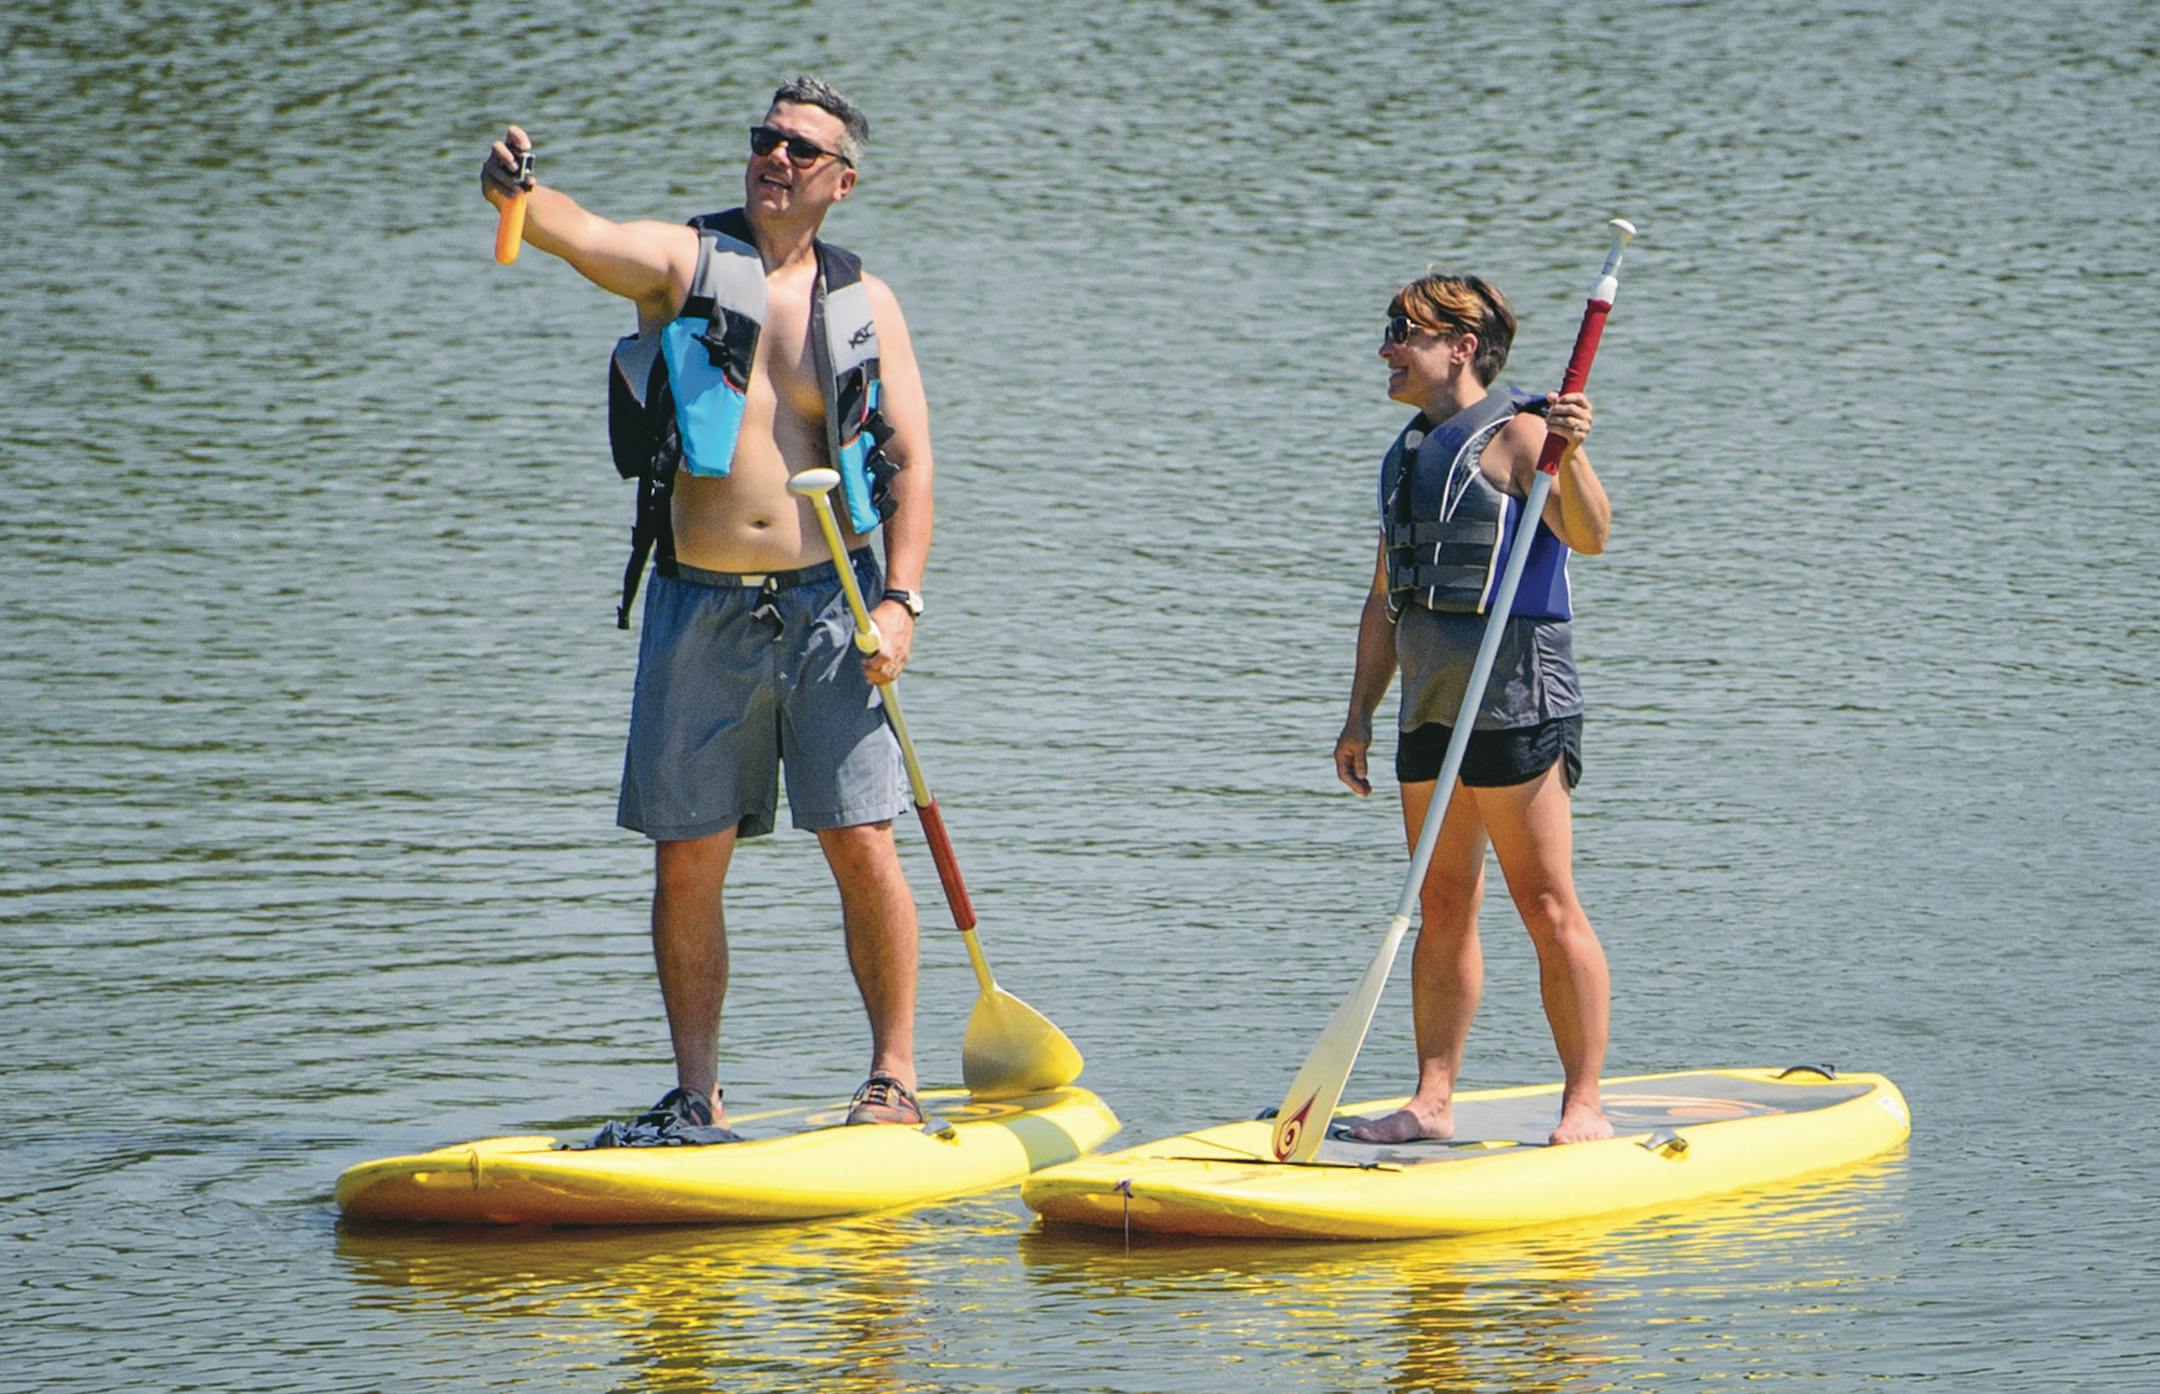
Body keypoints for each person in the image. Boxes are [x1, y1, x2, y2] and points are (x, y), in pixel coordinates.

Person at [478, 77, 935, 1141]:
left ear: (841, 181)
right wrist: (517, 191)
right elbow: (584, 235)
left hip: (837, 606)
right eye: (764, 139)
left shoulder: (867, 303)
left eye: (800, 148)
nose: (775, 157)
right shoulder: (686, 264)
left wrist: (903, 600)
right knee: (687, 854)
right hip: (700, 603)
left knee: (862, 838)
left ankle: (893, 1077)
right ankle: (697, 1089)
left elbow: (910, 462)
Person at [1331, 272, 1615, 1147]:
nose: (1386, 349)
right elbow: (1386, 598)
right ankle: (1431, 1102)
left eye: (1403, 333)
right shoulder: (1407, 453)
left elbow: (1594, 534)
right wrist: (1359, 716)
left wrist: (1575, 452)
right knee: (1443, 902)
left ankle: (1583, 1106)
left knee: (1544, 901)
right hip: (1431, 708)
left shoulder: (1522, 433)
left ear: (1461, 347)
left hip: (1518, 699)